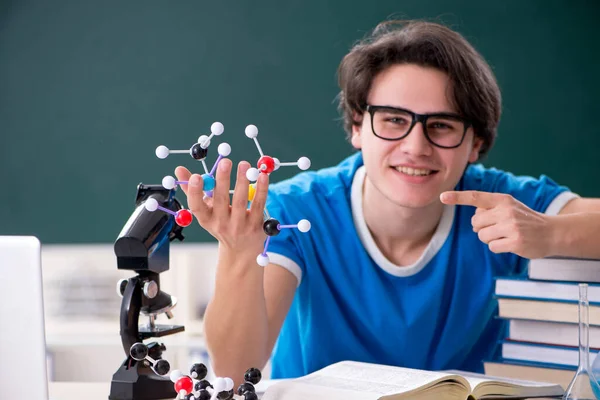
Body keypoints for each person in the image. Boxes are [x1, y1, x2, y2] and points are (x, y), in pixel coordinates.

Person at [174, 19, 600, 383]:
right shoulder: (296, 212)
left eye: (442, 125)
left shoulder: (503, 204)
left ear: (476, 143)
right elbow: (234, 370)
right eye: (394, 120)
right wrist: (238, 253)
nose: (416, 146)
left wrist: (552, 232)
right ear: (358, 126)